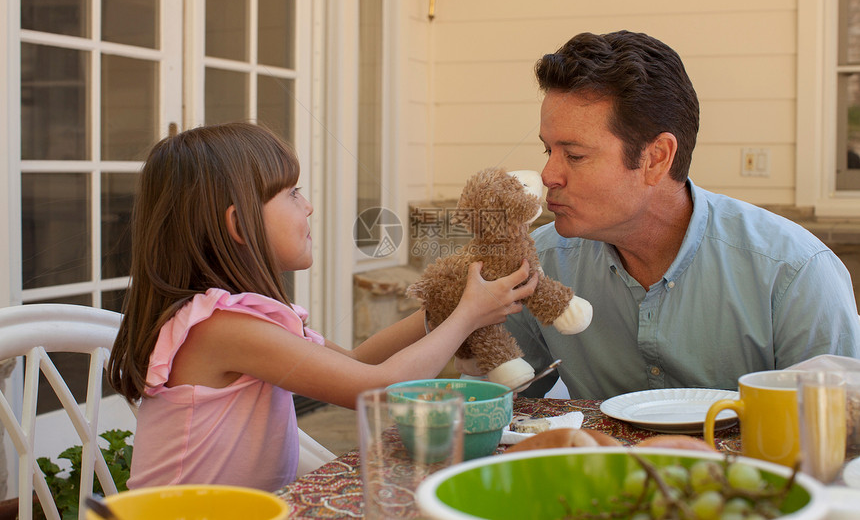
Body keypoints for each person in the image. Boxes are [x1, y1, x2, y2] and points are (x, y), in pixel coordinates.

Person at [107, 122, 537, 491]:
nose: (309, 205)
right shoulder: (221, 329)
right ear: (240, 225)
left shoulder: (246, 316)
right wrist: (467, 317)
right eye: (293, 194)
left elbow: (356, 364)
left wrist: (441, 310)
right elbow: (379, 392)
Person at [503, 30, 860, 400]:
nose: (548, 176)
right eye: (548, 151)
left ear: (656, 158)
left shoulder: (794, 272)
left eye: (574, 155)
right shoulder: (536, 266)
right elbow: (499, 405)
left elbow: (841, 435)